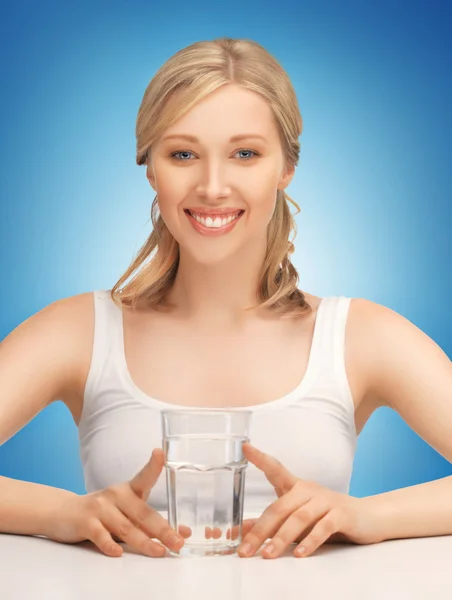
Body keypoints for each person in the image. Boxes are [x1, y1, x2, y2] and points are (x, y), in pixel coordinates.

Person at [0, 37, 451, 561]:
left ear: (286, 167)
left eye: (245, 154)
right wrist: (62, 514)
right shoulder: (79, 330)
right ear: (151, 169)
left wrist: (365, 517)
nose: (213, 187)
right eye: (183, 154)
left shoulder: (360, 337)